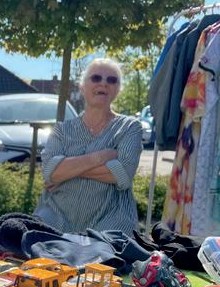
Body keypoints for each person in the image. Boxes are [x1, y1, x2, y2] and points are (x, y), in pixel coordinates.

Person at [34, 58, 143, 236]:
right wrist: (101, 157)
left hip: (111, 219)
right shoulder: (62, 129)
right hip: (56, 216)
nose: (104, 83)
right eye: (96, 78)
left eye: (112, 80)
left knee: (107, 251)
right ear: (82, 87)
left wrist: (66, 170)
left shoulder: (130, 127)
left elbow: (123, 175)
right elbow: (49, 171)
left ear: (118, 89)